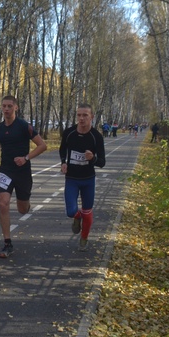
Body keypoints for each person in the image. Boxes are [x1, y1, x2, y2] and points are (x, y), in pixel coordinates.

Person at [0, 95, 47, 258]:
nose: (6, 109)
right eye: (3, 106)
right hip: (5, 170)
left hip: (22, 171)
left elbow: (42, 145)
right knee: (3, 203)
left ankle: (26, 203)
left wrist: (25, 158)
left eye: (9, 106)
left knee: (22, 209)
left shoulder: (23, 126)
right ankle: (7, 243)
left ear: (16, 108)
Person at [59, 103, 106, 251]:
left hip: (88, 180)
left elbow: (102, 162)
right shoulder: (69, 133)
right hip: (72, 179)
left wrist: (92, 159)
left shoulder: (96, 136)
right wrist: (63, 163)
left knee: (87, 211)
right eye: (79, 115)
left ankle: (84, 238)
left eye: (85, 115)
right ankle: (76, 217)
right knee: (70, 211)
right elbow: (62, 150)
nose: (81, 118)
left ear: (91, 117)